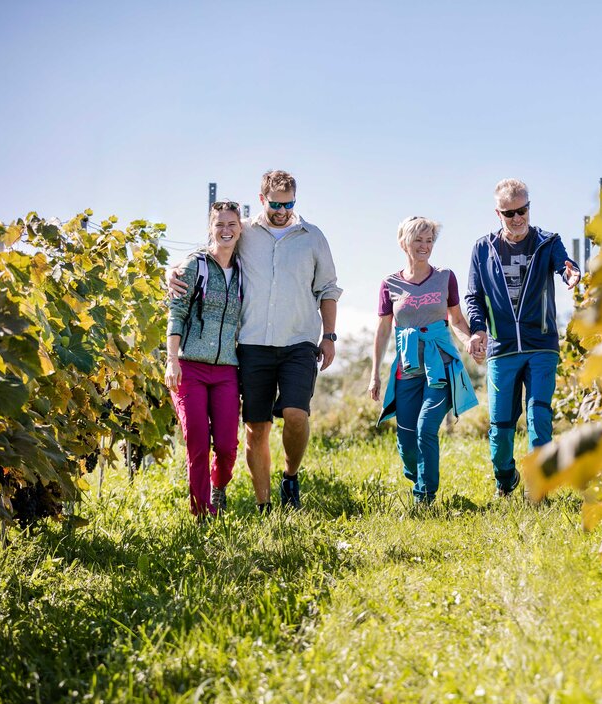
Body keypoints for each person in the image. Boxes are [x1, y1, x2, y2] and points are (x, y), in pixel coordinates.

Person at [170, 170, 342, 512]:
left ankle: (290, 476)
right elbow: (213, 248)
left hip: (299, 342)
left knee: (296, 414)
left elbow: (328, 288)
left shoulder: (312, 236)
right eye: (276, 204)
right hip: (252, 345)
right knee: (256, 428)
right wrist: (172, 271)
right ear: (262, 199)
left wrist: (330, 336)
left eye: (289, 203)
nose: (282, 210)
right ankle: (264, 506)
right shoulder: (245, 231)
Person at [464, 179, 580, 496]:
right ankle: (505, 477)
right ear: (497, 213)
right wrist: (478, 329)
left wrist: (572, 273)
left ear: (529, 207)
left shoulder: (547, 241)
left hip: (541, 344)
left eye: (523, 210)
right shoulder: (482, 249)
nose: (517, 219)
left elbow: (565, 264)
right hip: (501, 349)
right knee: (500, 429)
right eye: (509, 213)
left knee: (538, 413)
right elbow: (473, 296)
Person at [368, 216, 478, 503]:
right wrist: (375, 374)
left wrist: (469, 342)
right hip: (407, 367)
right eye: (418, 239)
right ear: (403, 242)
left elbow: (456, 319)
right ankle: (417, 475)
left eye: (429, 240)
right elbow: (382, 330)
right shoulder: (389, 283)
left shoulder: (445, 277)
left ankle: (425, 496)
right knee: (405, 438)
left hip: (440, 364)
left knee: (426, 427)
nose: (425, 246)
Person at [165, 201, 244, 520]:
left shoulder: (243, 271)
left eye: (232, 224)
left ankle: (218, 487)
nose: (225, 230)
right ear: (210, 229)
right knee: (197, 441)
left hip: (227, 369)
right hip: (190, 368)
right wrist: (172, 360)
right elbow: (177, 313)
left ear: (240, 228)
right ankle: (201, 513)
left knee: (226, 446)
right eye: (219, 225)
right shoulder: (194, 265)